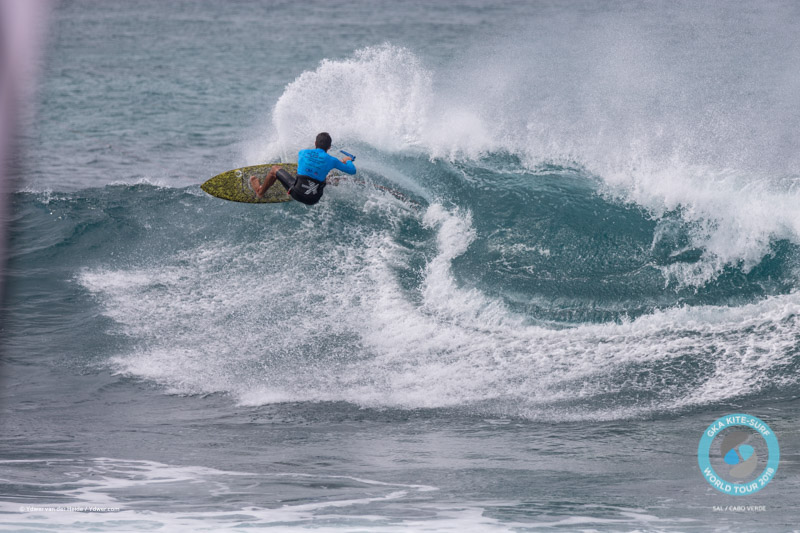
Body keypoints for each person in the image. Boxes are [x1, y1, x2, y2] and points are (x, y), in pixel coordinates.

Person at [250, 132, 356, 205]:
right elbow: (352, 171)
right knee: (325, 174)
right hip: (314, 199)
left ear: (315, 143)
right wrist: (347, 160)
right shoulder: (332, 160)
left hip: (297, 193)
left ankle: (260, 193)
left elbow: (313, 163)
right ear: (329, 147)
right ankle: (326, 182)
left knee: (275, 169)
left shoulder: (303, 153)